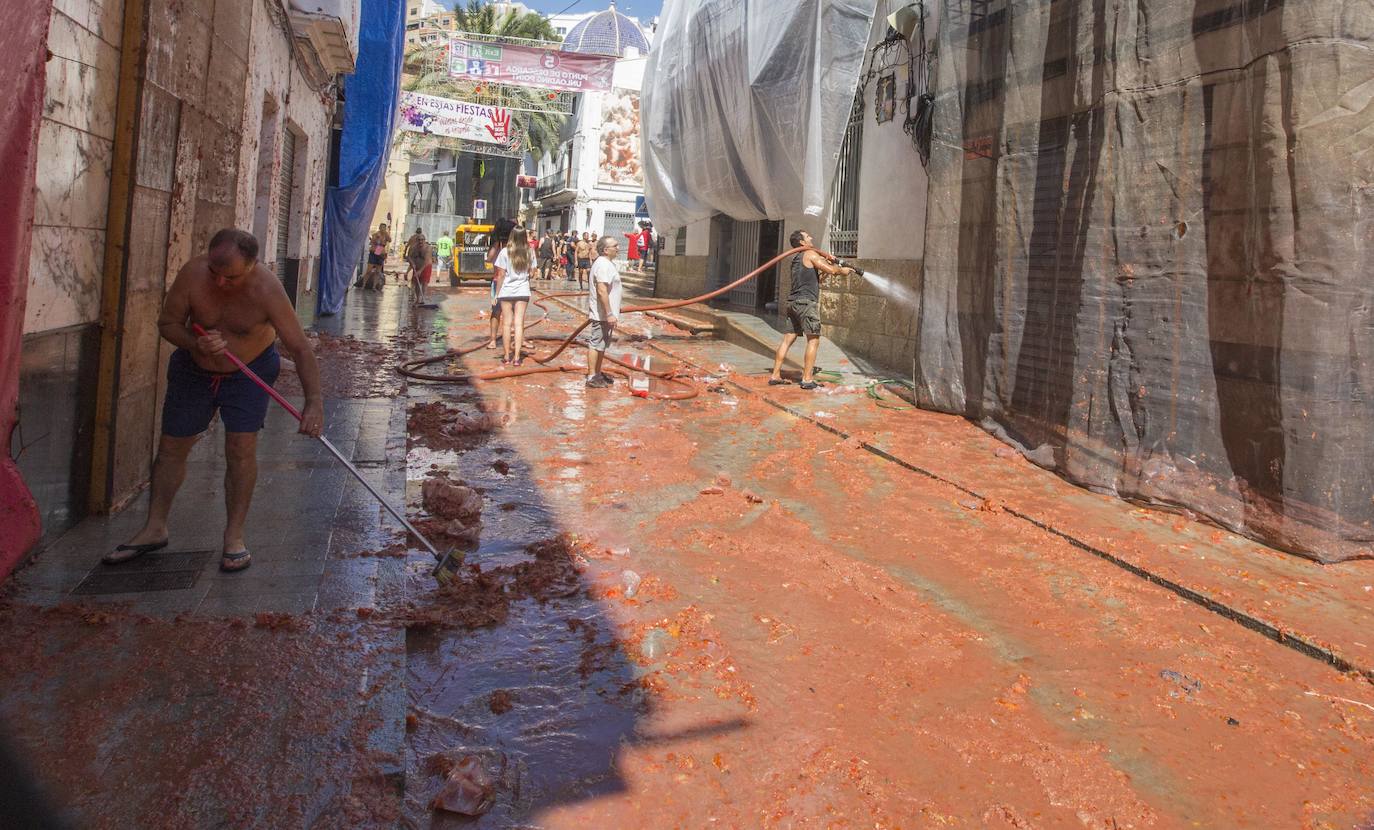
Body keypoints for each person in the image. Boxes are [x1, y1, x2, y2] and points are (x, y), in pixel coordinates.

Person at [104, 229, 324, 573]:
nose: (220, 282)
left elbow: (299, 348)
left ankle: (234, 536)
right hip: (194, 371)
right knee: (172, 446)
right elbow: (168, 323)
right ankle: (154, 527)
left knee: (240, 448)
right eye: (214, 272)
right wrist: (194, 343)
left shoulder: (267, 289)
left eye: (230, 276)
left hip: (248, 373)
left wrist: (314, 402)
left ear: (252, 266)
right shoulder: (192, 274)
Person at [769, 229, 855, 390]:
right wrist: (840, 270)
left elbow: (818, 278)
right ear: (802, 242)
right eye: (808, 236)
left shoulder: (796, 257)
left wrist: (829, 267)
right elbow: (831, 270)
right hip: (806, 304)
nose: (811, 237)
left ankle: (775, 375)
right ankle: (807, 379)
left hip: (793, 302)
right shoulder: (810, 254)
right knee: (813, 340)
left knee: (788, 339)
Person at [584, 235, 622, 389]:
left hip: (605, 314)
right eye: (615, 245)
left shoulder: (606, 263)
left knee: (601, 344)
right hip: (601, 314)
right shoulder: (603, 265)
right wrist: (609, 313)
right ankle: (592, 376)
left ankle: (597, 373)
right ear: (606, 250)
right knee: (596, 343)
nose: (618, 248)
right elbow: (602, 290)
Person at [493, 227, 535, 365]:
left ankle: (506, 356)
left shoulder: (505, 252)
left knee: (506, 324)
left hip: (506, 292)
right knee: (519, 324)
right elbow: (532, 274)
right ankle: (517, 358)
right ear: (524, 237)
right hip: (523, 291)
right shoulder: (530, 252)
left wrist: (496, 294)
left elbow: (500, 275)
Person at [485, 218, 515, 349]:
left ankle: (495, 340)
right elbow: (489, 258)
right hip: (506, 281)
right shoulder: (507, 246)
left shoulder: (506, 246)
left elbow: (489, 258)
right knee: (503, 312)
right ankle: (494, 339)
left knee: (504, 312)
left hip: (505, 280)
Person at [362, 223, 389, 290]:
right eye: (382, 227)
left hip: (381, 251)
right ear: (379, 228)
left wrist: (386, 234)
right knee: (369, 270)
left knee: (378, 271)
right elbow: (372, 243)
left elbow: (389, 240)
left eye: (384, 228)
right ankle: (363, 284)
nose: (383, 229)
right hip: (375, 251)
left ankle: (374, 286)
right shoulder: (376, 234)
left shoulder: (386, 235)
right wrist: (377, 240)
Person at [412, 236, 434, 307]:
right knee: (417, 283)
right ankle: (418, 298)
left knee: (424, 282)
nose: (420, 241)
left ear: (425, 240)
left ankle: (422, 298)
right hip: (417, 266)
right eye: (419, 240)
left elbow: (427, 260)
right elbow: (409, 256)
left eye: (422, 240)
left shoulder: (428, 248)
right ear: (416, 240)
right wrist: (411, 263)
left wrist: (420, 271)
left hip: (426, 266)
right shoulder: (414, 247)